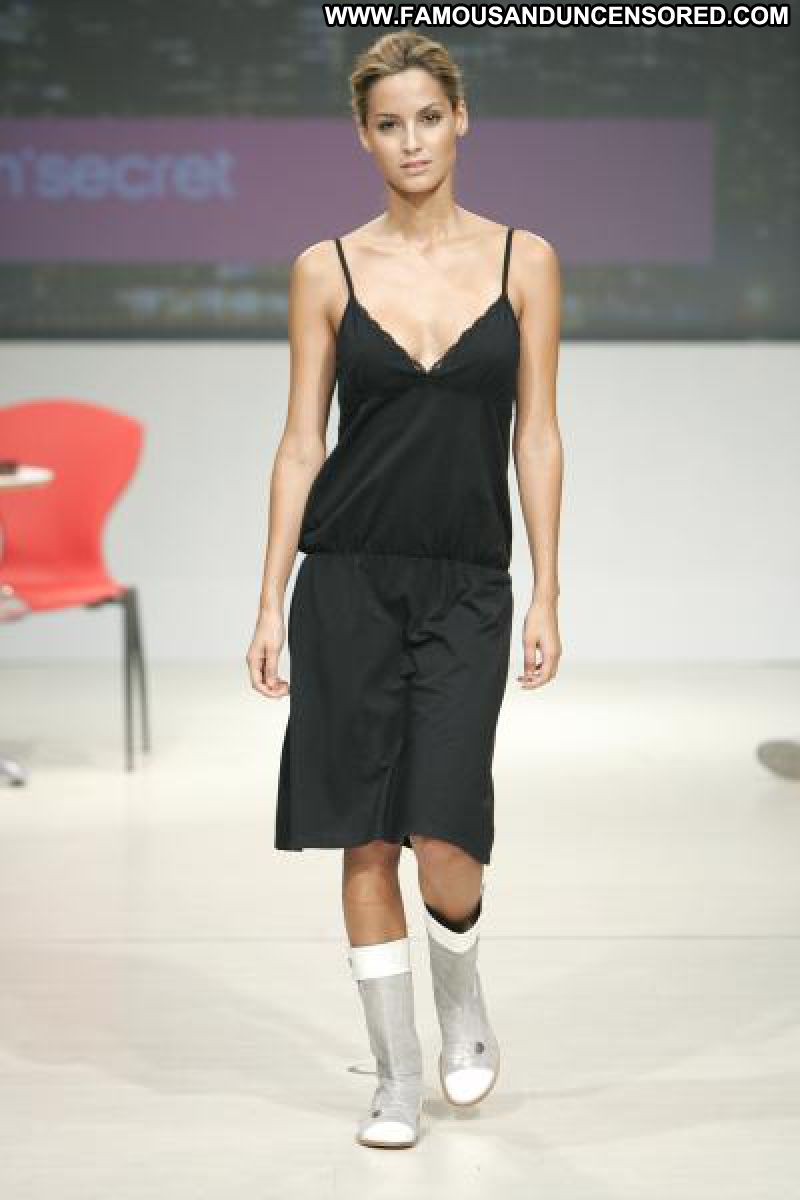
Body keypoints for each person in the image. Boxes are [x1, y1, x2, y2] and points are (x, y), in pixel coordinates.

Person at [247, 30, 562, 1149]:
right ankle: (392, 1075)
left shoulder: (525, 260)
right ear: (363, 136)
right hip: (346, 579)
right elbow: (300, 442)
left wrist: (546, 589)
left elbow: (536, 435)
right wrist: (268, 597)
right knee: (365, 837)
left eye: (428, 117)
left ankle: (460, 992)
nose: (411, 141)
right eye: (389, 123)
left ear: (460, 119)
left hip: (468, 581)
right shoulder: (324, 269)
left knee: (448, 834)